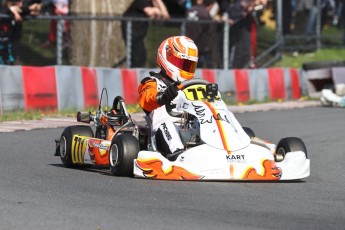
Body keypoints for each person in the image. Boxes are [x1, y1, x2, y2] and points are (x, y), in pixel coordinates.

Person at [137, 36, 198, 161]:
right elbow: (146, 99)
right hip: (162, 131)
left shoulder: (193, 86)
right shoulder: (152, 82)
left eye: (190, 66)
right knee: (165, 122)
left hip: (190, 127)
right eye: (183, 64)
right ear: (168, 58)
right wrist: (162, 97)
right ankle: (178, 155)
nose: (187, 69)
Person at [121, 0, 169, 68]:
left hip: (139, 35)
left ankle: (138, 71)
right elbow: (149, 12)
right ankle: (133, 72)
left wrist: (159, 3)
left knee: (142, 56)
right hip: (131, 33)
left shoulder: (150, 3)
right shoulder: (141, 1)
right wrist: (157, 10)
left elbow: (165, 15)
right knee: (136, 56)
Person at [186, 0, 216, 68]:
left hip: (189, 44)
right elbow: (210, 30)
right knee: (206, 65)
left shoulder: (190, 10)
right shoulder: (205, 13)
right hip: (203, 46)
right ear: (210, 5)